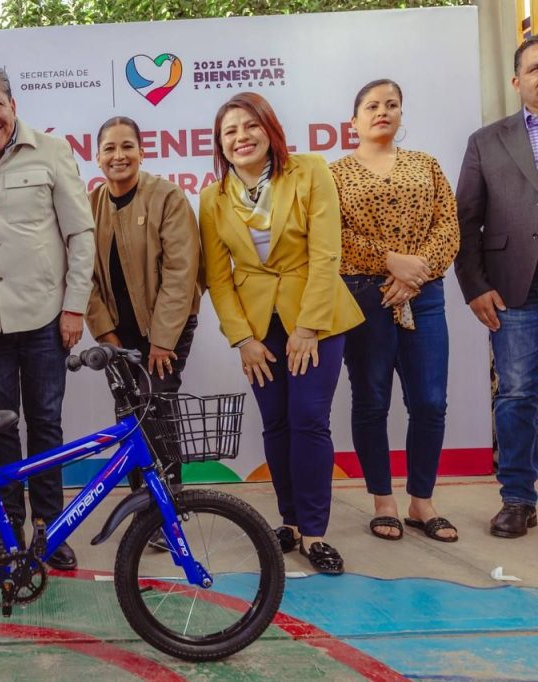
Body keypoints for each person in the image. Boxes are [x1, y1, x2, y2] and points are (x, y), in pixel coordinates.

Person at [199, 93, 363, 574]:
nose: (241, 137)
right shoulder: (213, 198)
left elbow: (327, 253)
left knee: (309, 418)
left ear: (269, 129)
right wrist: (242, 339)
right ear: (220, 145)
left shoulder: (310, 170)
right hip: (257, 328)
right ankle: (289, 523)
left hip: (317, 315)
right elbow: (218, 278)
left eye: (250, 126)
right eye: (230, 131)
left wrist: (308, 326)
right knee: (276, 422)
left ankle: (314, 534)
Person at [0, 64, 95, 571]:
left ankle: (51, 529)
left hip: (45, 320)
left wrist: (74, 306)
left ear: (13, 105)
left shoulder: (52, 152)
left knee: (45, 426)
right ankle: (8, 528)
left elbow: (80, 234)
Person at [331, 79, 460, 543]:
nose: (382, 111)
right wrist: (389, 261)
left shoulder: (426, 165)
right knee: (371, 400)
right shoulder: (334, 174)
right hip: (364, 295)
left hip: (423, 294)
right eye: (371, 106)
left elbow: (448, 225)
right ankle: (383, 501)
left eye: (391, 104)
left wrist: (413, 274)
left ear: (401, 114)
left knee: (430, 401)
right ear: (354, 121)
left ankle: (421, 501)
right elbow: (332, 236)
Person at [85, 115, 201, 490]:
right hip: (117, 334)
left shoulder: (168, 197)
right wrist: (106, 334)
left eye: (127, 146)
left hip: (167, 329)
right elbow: (83, 277)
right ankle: (142, 502)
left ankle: (170, 502)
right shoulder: (89, 205)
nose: (119, 155)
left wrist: (162, 340)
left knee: (156, 409)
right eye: (109, 148)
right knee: (128, 415)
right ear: (97, 157)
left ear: (142, 151)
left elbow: (181, 272)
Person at [455, 37, 538, 539]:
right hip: (513, 288)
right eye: (535, 68)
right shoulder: (486, 140)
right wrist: (475, 286)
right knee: (518, 394)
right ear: (517, 80)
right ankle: (518, 498)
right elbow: (465, 220)